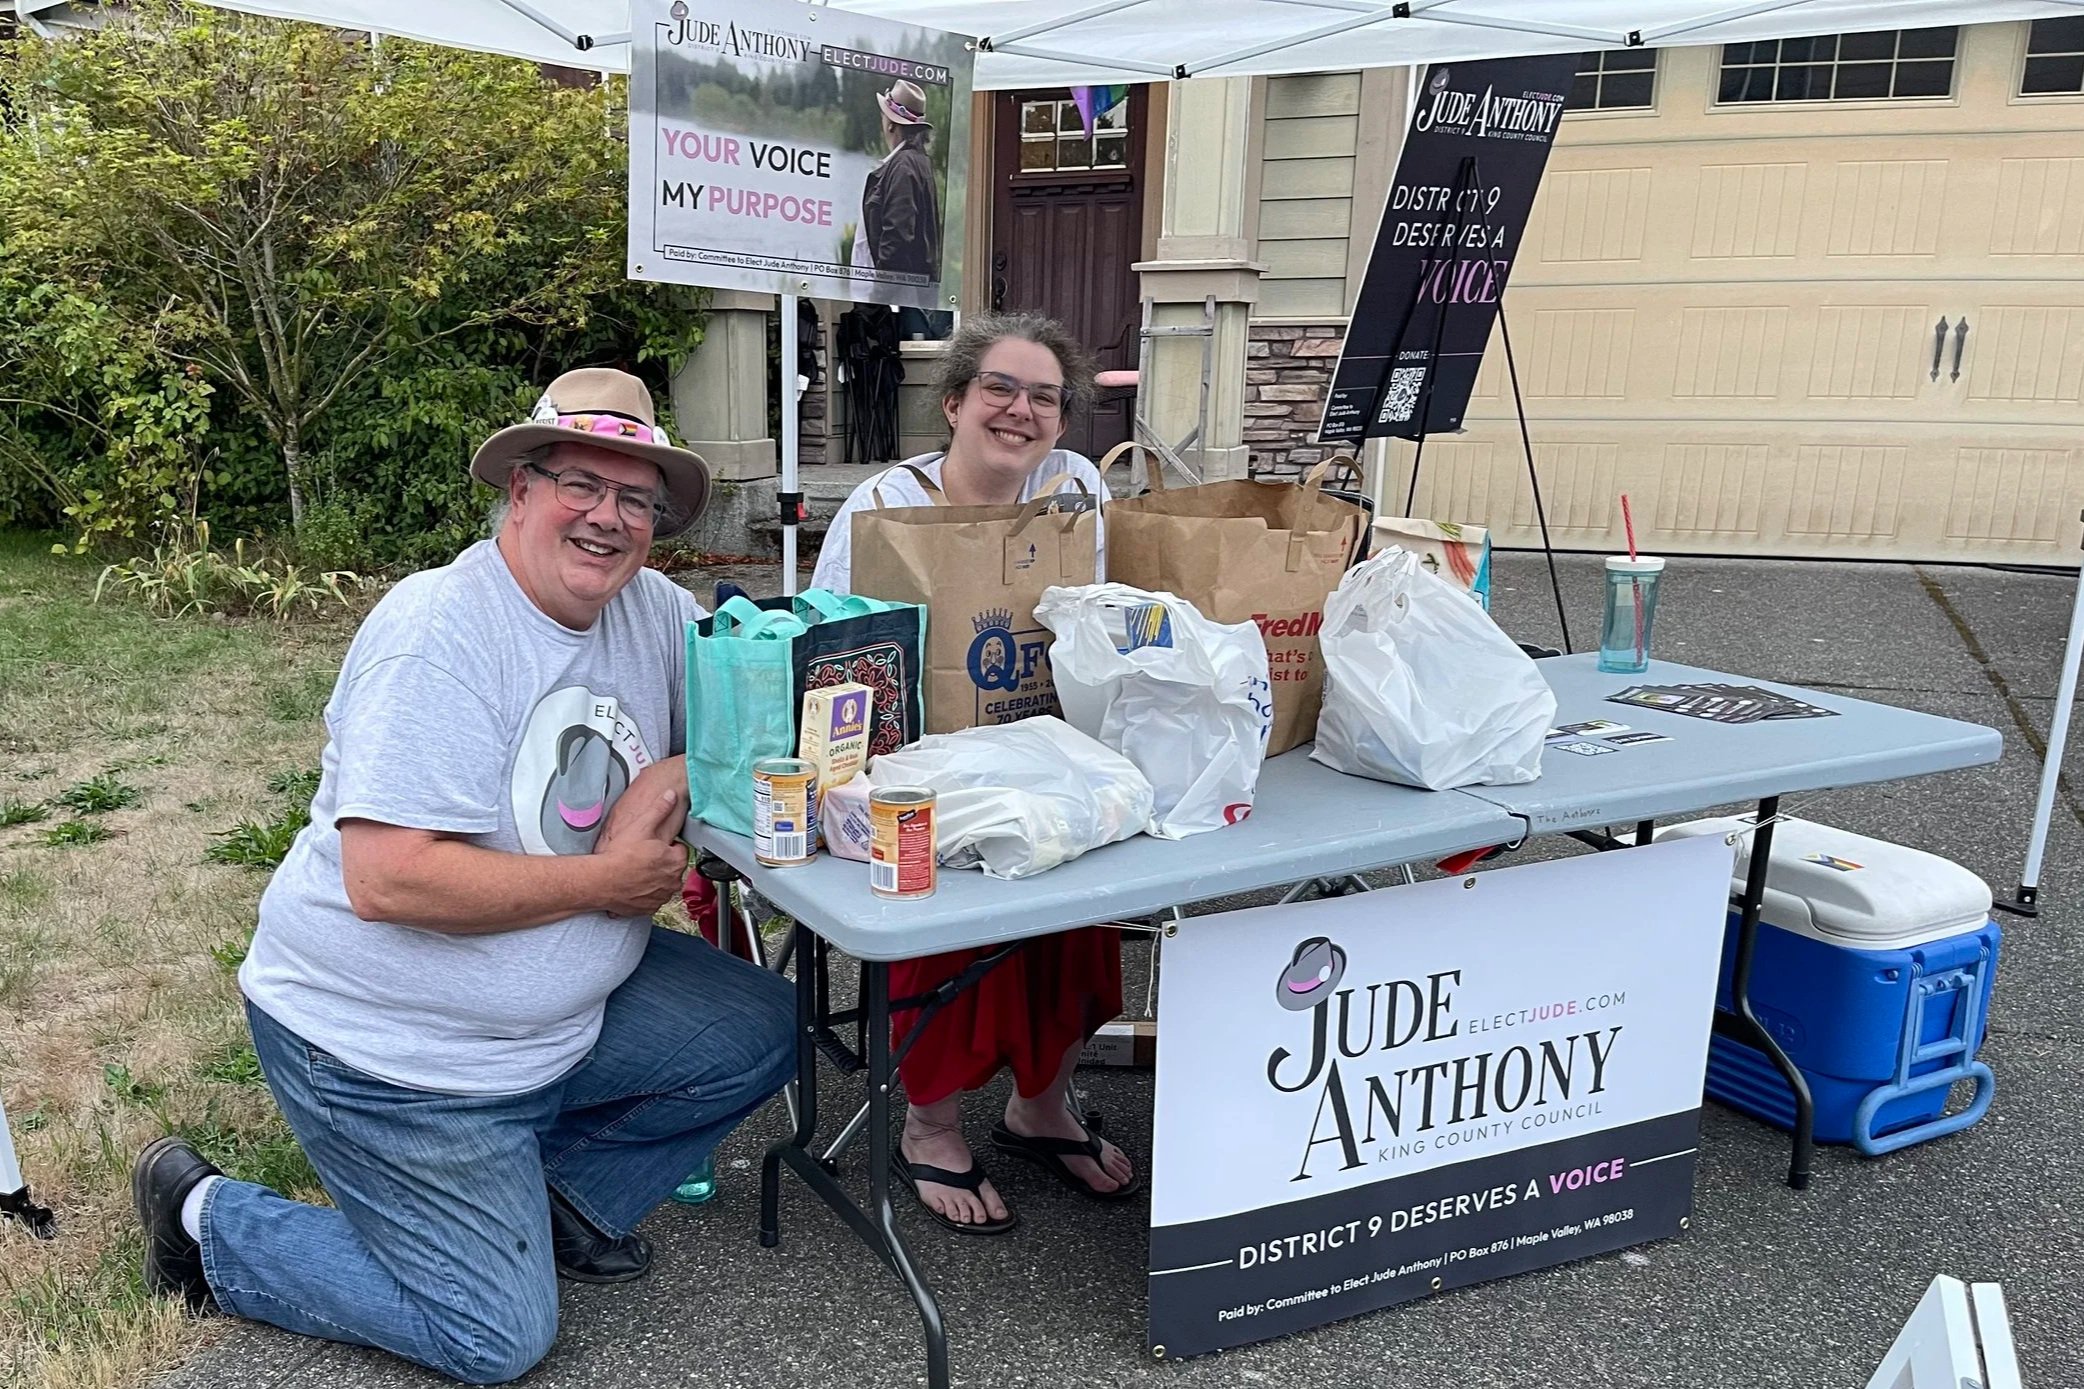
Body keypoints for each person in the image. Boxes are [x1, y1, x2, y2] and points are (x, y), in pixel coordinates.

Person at [129, 369, 796, 1384]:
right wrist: (605, 880)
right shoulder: (436, 632)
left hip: (557, 1027)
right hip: (391, 1059)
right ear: (520, 489)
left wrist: (677, 767)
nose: (608, 518)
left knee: (765, 1029)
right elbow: (389, 881)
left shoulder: (654, 612)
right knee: (494, 1337)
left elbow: (736, 726)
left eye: (636, 499)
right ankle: (205, 1220)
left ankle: (547, 1203)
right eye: (583, 483)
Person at [812, 312, 1136, 1235]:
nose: (1021, 409)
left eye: (1044, 396)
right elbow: (832, 636)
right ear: (954, 401)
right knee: (941, 888)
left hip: (1040, 746)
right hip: (917, 759)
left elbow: (1096, 614)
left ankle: (1042, 1101)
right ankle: (931, 1119)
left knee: (1089, 882)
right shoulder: (882, 503)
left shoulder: (1075, 487)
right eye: (1000, 387)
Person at [853, 80, 942, 285]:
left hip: (894, 303)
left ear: (891, 123)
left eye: (883, 115)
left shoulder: (903, 167)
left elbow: (898, 238)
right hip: (907, 297)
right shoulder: (917, 162)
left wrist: (880, 297)